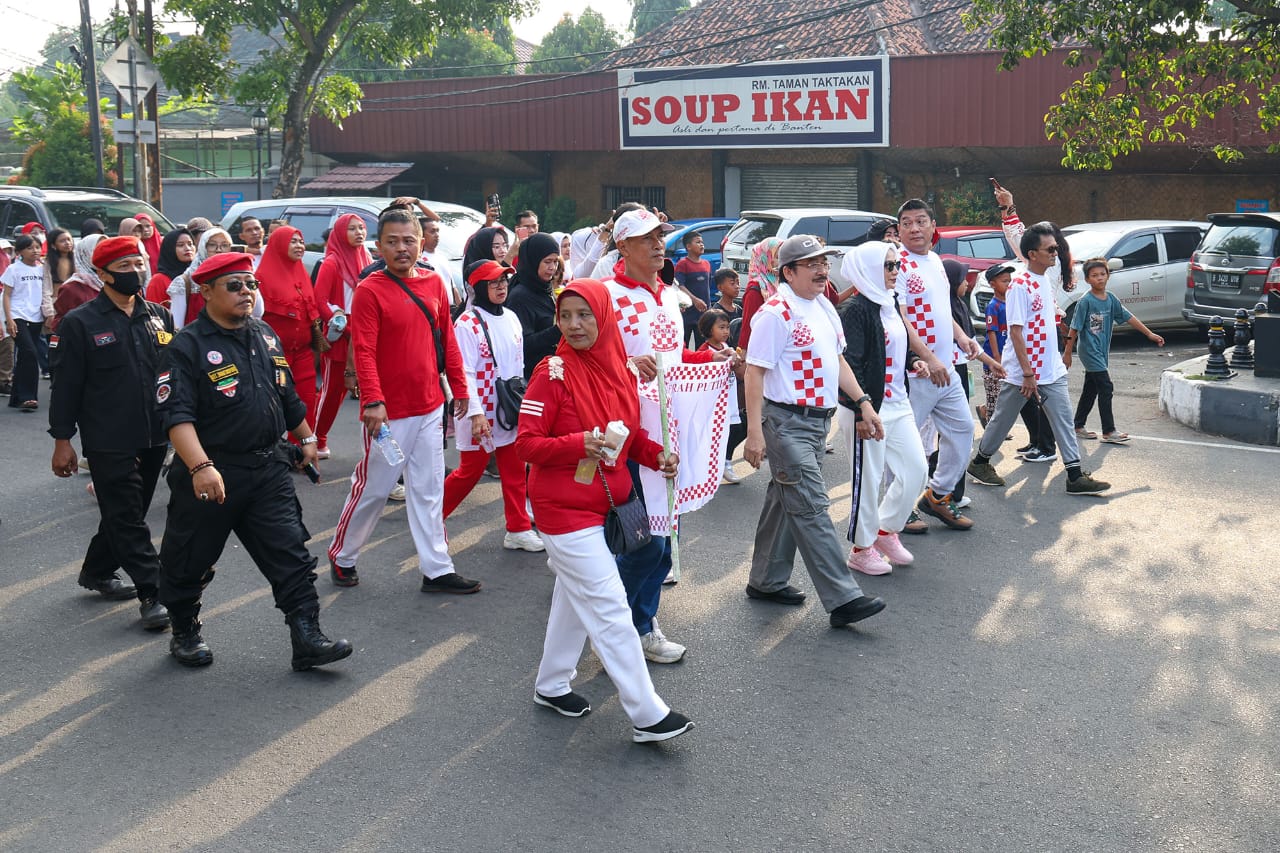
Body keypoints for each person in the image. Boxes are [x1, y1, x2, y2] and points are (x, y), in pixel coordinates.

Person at [156, 251, 352, 670]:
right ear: (205, 291)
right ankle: (185, 628)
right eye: (235, 285)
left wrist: (307, 438)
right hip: (212, 475)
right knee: (190, 559)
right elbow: (177, 416)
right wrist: (200, 467)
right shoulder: (187, 346)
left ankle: (307, 638)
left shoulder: (264, 334)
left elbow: (286, 395)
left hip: (267, 469)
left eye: (252, 284)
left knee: (292, 555)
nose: (247, 292)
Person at [516, 279, 693, 742]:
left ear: (604, 317)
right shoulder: (550, 372)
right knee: (611, 606)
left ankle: (552, 685)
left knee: (575, 599)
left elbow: (628, 435)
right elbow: (526, 445)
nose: (574, 325)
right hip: (562, 510)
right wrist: (579, 443)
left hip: (609, 504)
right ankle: (647, 713)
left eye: (584, 315)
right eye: (566, 316)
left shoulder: (620, 369)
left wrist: (656, 455)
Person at [327, 209, 477, 593]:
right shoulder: (370, 290)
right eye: (392, 242)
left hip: (429, 406)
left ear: (421, 242)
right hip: (388, 416)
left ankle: (437, 568)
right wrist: (373, 401)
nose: (401, 248)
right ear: (379, 247)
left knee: (429, 489)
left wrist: (459, 389)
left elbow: (447, 343)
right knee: (375, 488)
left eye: (408, 240)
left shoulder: (433, 283)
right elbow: (363, 350)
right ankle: (342, 556)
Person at [603, 208, 729, 663]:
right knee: (644, 542)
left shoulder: (668, 296)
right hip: (626, 441)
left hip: (666, 436)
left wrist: (711, 361)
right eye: (645, 238)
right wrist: (624, 366)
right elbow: (576, 361)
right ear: (622, 247)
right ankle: (621, 620)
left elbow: (671, 362)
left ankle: (638, 621)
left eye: (660, 236)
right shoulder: (604, 296)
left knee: (663, 543)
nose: (658, 244)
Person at [742, 235, 887, 628]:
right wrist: (754, 432)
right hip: (785, 421)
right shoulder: (775, 313)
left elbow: (837, 360)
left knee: (786, 497)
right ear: (788, 272)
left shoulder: (824, 305)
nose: (823, 269)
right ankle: (843, 598)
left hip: (817, 421)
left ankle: (766, 580)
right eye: (812, 264)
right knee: (811, 504)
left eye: (824, 261)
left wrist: (863, 402)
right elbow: (754, 372)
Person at [48, 236, 173, 630]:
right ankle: (154, 593)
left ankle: (97, 570)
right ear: (101, 274)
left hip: (155, 434)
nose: (135, 273)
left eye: (138, 264)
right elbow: (66, 387)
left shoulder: (159, 316)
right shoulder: (80, 323)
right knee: (126, 514)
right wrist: (62, 441)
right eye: (124, 267)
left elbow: (172, 375)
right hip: (107, 437)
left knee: (128, 513)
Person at [967, 223, 1112, 496]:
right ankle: (980, 462)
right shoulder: (1020, 285)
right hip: (1023, 372)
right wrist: (1027, 373)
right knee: (1002, 420)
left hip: (1049, 368)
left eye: (1056, 248)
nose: (1055, 253)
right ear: (1033, 254)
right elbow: (1016, 332)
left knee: (1064, 419)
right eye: (1050, 249)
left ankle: (1074, 474)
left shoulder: (1043, 280)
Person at [837, 241, 935, 575]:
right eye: (889, 266)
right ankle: (861, 548)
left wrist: (914, 361)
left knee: (916, 470)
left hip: (897, 402)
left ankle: (884, 530)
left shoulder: (889, 302)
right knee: (869, 479)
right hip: (866, 408)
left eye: (897, 265)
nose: (896, 272)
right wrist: (860, 408)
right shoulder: (855, 310)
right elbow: (849, 364)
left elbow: (893, 345)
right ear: (868, 270)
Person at [895, 199, 984, 531]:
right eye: (907, 223)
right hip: (915, 371)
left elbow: (940, 309)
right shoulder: (897, 265)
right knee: (908, 443)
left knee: (962, 432)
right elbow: (901, 319)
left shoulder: (934, 261)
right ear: (899, 229)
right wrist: (929, 360)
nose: (915, 228)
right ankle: (899, 508)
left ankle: (937, 496)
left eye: (921, 221)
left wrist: (962, 337)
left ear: (934, 226)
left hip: (945, 369)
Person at [442, 260, 543, 551]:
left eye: (503, 281)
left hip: (509, 407)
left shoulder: (511, 316)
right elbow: (463, 372)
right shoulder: (467, 323)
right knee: (469, 472)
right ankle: (432, 521)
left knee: (514, 468)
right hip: (480, 410)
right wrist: (475, 413)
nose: (500, 287)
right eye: (493, 282)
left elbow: (518, 366)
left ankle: (518, 528)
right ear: (476, 287)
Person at [1064, 257, 1165, 443]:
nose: (1099, 278)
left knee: (1091, 388)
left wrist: (1149, 334)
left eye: (1103, 274)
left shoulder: (1110, 299)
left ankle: (1078, 425)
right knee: (1105, 387)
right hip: (1089, 351)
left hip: (1101, 351)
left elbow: (1128, 317)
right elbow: (1074, 328)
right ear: (1087, 279)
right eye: (1094, 275)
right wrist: (1068, 353)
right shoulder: (1085, 301)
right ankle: (1109, 431)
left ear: (1108, 276)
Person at [312, 214, 373, 458]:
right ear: (339, 233)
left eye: (362, 228)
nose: (359, 232)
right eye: (352, 229)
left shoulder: (367, 259)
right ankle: (316, 439)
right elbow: (320, 301)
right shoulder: (332, 262)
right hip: (342, 332)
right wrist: (344, 325)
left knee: (371, 390)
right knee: (332, 391)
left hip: (366, 329)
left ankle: (374, 448)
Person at [255, 225, 323, 422]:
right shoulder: (260, 278)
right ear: (279, 245)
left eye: (301, 241)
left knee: (307, 400)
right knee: (272, 404)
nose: (299, 246)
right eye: (293, 241)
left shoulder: (302, 274)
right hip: (273, 354)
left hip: (302, 352)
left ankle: (304, 446)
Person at [697, 309, 746, 484]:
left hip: (730, 399)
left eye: (727, 327)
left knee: (736, 428)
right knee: (714, 434)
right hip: (715, 402)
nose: (726, 331)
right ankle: (714, 466)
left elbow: (740, 372)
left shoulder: (727, 348)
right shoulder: (705, 351)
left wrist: (737, 362)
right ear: (709, 329)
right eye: (721, 327)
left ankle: (723, 461)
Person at [506, 232, 563, 379]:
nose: (553, 267)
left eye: (555, 261)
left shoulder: (545, 287)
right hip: (532, 377)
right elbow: (522, 345)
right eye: (547, 261)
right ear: (533, 261)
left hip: (553, 371)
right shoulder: (520, 296)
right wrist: (558, 331)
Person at [3, 235, 50, 411]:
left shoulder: (43, 270)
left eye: (37, 247)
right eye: (30, 248)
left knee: (24, 355)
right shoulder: (14, 269)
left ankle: (16, 397)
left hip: (36, 316)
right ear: (20, 251)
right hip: (18, 315)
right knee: (30, 352)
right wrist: (9, 319)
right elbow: (6, 295)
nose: (35, 250)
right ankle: (28, 397)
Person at [169, 228, 244, 330]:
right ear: (203, 247)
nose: (219, 250)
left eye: (225, 245)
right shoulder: (185, 282)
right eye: (212, 245)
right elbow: (176, 325)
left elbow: (257, 312)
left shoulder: (240, 277)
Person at [737, 236, 783, 352]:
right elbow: (748, 325)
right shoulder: (756, 289)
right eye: (777, 257)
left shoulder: (778, 282)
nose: (781, 262)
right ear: (765, 257)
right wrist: (743, 352)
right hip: (761, 349)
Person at [674, 232, 712, 347]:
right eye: (698, 242)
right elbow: (679, 285)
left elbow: (707, 287)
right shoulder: (682, 264)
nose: (702, 245)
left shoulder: (706, 264)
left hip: (703, 313)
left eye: (702, 242)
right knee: (683, 344)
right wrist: (695, 300)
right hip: (687, 313)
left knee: (701, 346)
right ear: (688, 246)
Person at [144, 228, 196, 308]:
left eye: (190, 244)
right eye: (180, 245)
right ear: (169, 249)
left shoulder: (197, 273)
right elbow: (154, 312)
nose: (188, 248)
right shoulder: (158, 281)